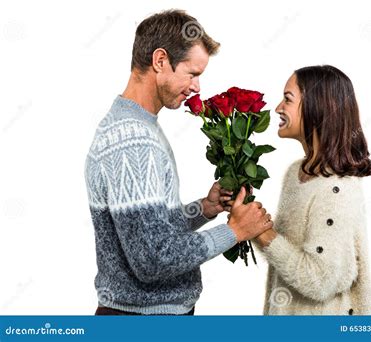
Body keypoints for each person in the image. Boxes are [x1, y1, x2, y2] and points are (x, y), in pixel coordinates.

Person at [84, 10, 273, 316]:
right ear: (160, 61)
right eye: (192, 73)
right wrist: (235, 231)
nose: (197, 87)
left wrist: (204, 209)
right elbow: (153, 259)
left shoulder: (137, 126)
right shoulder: (132, 141)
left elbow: (145, 231)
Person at [253, 65, 371, 315]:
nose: (278, 108)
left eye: (288, 99)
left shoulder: (338, 189)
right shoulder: (295, 173)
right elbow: (286, 256)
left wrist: (262, 234)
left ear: (317, 108)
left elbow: (319, 279)